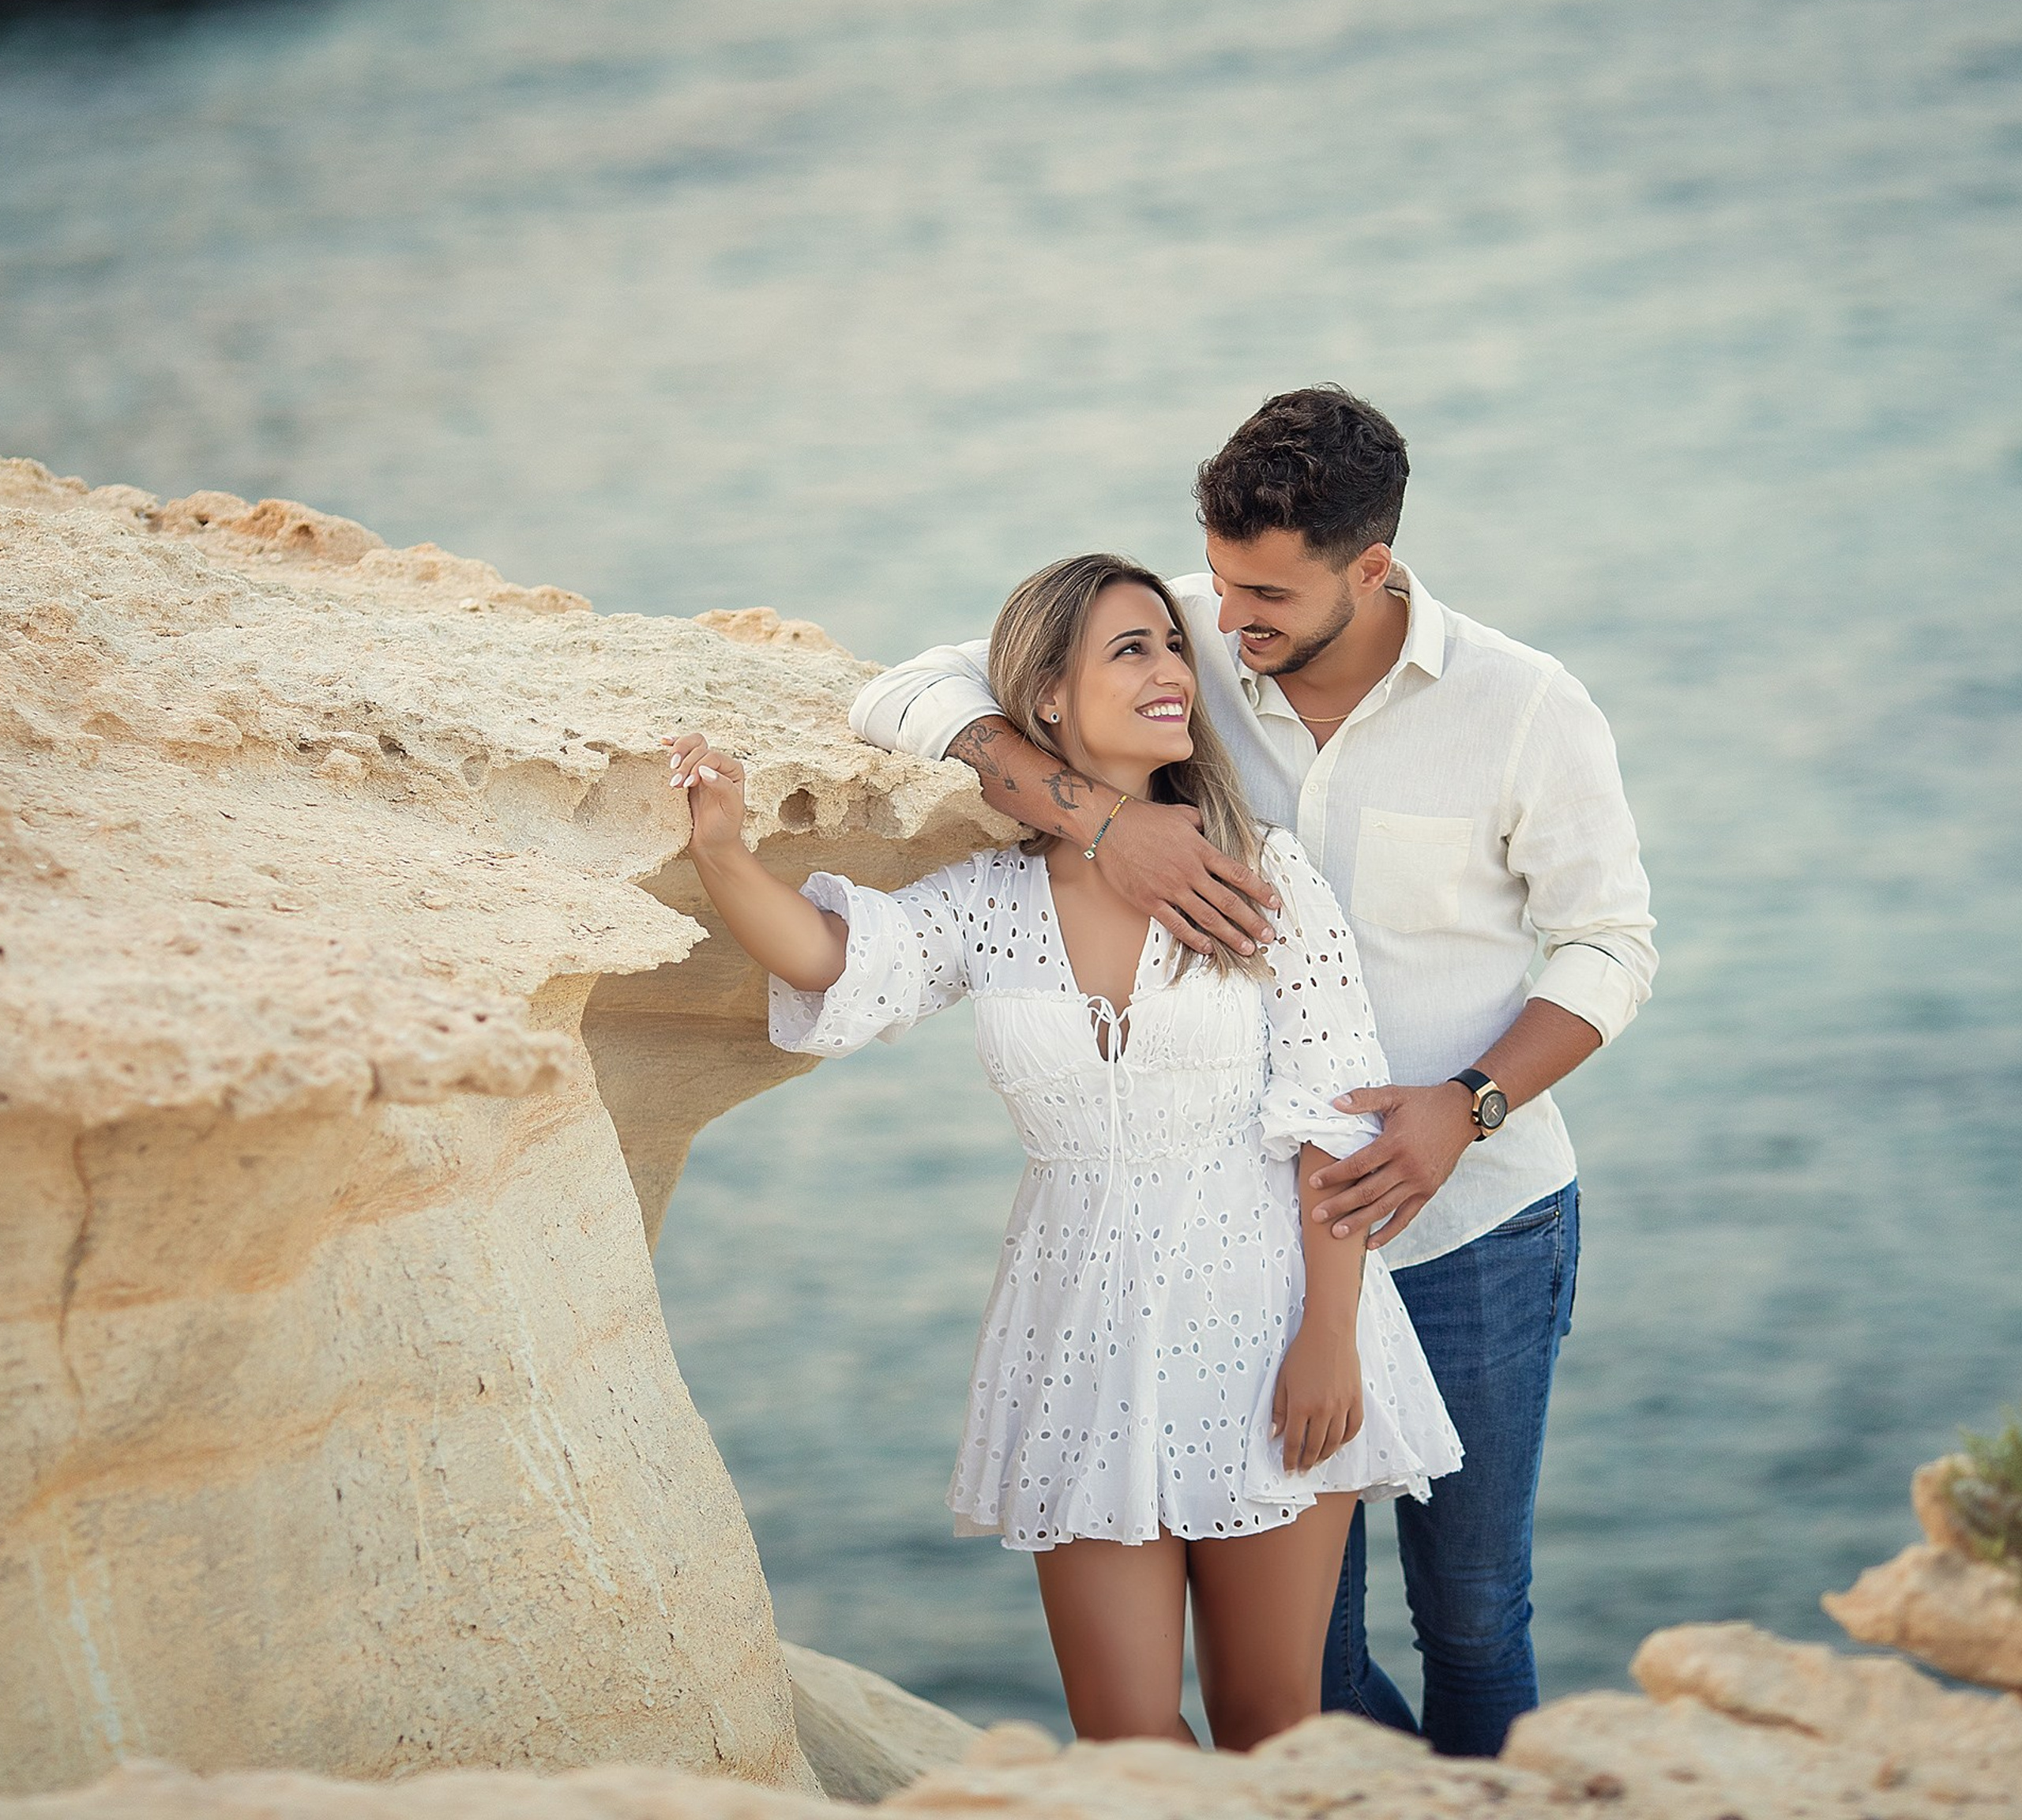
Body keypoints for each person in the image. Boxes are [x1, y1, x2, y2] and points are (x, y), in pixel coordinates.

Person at [849, 388, 1656, 1758]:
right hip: (1254, 1249)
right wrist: (1101, 821)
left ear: (1375, 568)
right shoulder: (1180, 631)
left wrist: (1469, 1108)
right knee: (1305, 1664)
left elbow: (1609, 948)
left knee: (1470, 1615)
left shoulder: (1525, 707)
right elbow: (907, 694)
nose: (1227, 627)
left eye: (1266, 594)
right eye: (1217, 582)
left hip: (1474, 1223)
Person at [666, 552, 1460, 1750]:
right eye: (1128, 649)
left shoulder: (1262, 871)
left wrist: (1331, 1340)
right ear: (1045, 699)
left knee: (1268, 1726)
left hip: (1268, 1313)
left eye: (1170, 645)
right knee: (1125, 1744)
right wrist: (725, 851)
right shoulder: (988, 899)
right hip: (1077, 1335)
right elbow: (835, 959)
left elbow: (1334, 1120)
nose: (1169, 671)